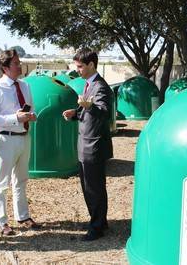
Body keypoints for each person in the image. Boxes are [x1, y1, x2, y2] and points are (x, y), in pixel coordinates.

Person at [0, 49, 40, 236]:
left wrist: (30, 116)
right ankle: (1, 222)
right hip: (4, 139)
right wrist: (14, 118)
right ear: (4, 67)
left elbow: (31, 107)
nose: (20, 66)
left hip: (24, 138)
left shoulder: (25, 86)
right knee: (2, 183)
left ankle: (23, 216)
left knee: (21, 180)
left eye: (19, 62)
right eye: (16, 63)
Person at [63, 49, 113, 241]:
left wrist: (89, 107)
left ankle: (97, 227)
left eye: (80, 66)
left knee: (94, 188)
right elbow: (88, 109)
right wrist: (76, 113)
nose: (78, 70)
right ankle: (100, 220)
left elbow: (104, 113)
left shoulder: (100, 86)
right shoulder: (88, 84)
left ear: (92, 65)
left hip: (94, 145)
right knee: (90, 187)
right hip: (86, 143)